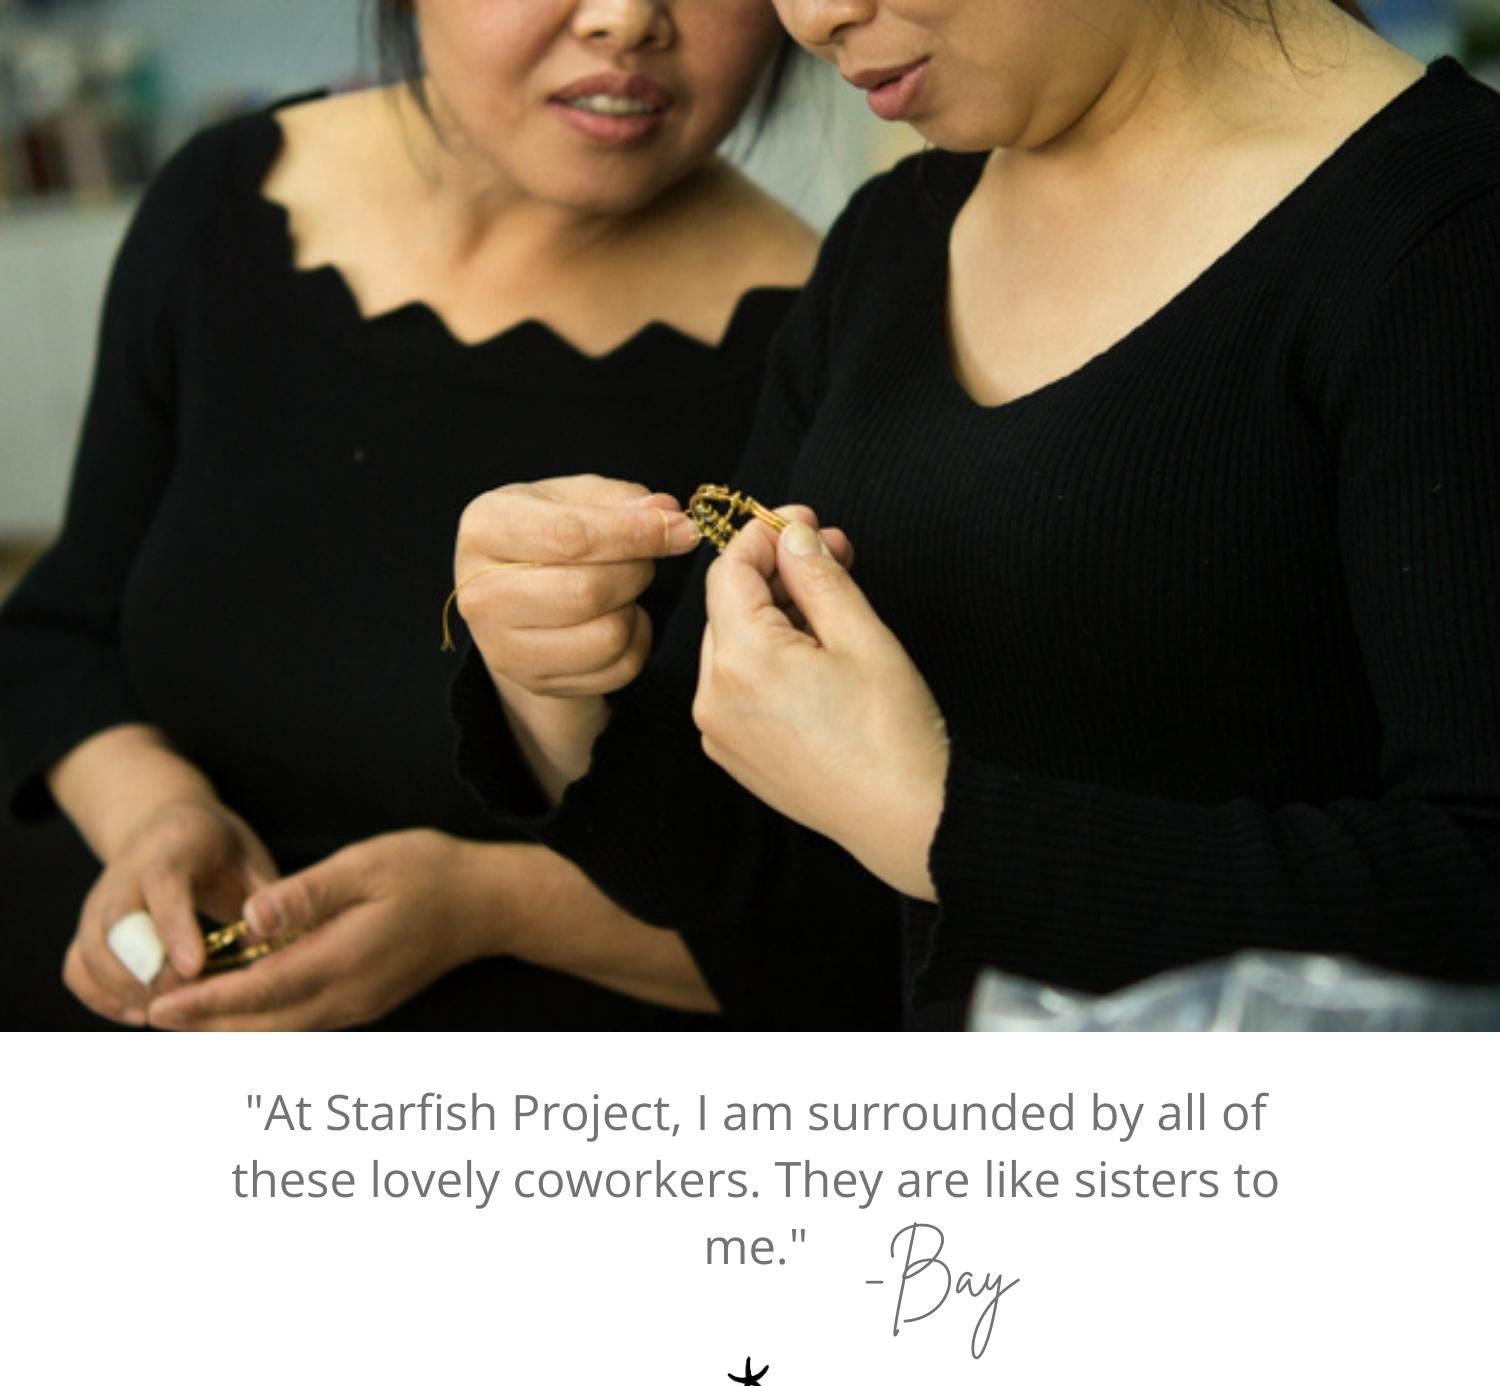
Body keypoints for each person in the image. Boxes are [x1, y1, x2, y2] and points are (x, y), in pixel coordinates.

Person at [451, 0, 1500, 1026]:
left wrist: (937, 824)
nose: (812, 19)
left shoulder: (1452, 232)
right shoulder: (894, 238)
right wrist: (547, 681)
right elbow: (735, 886)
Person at [0, 0, 862, 1031]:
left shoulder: (831, 351)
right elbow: (62, 627)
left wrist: (486, 908)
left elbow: (857, 927)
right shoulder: (223, 202)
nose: (629, 20)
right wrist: (154, 816)